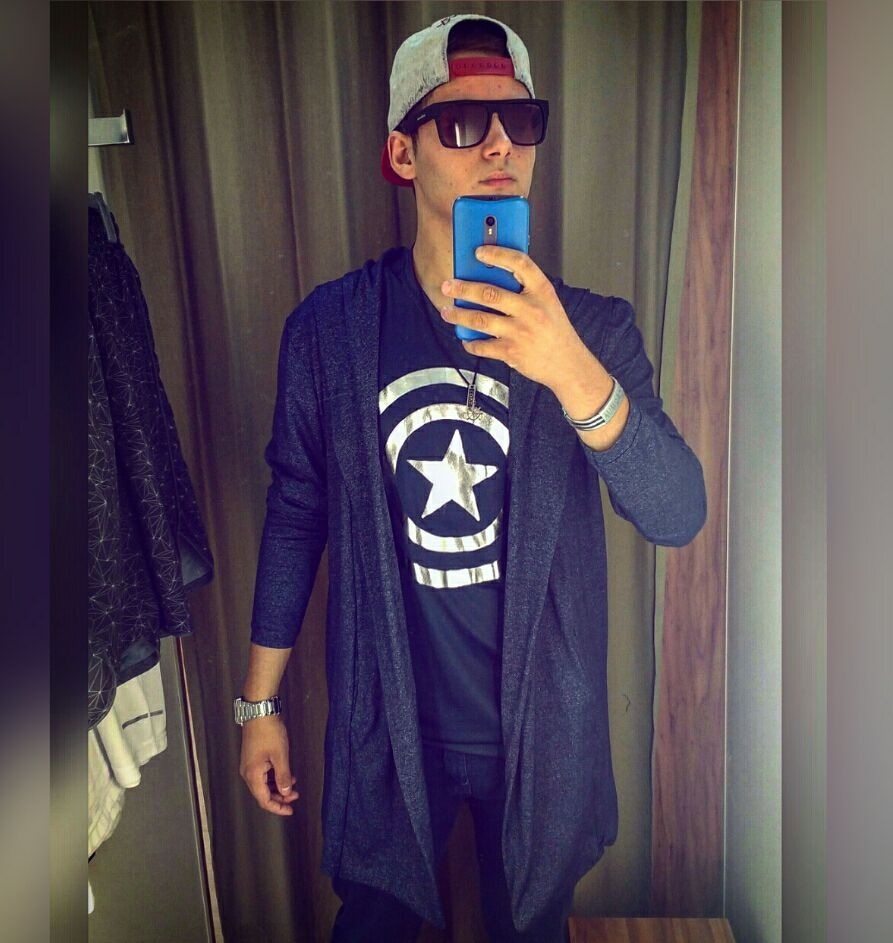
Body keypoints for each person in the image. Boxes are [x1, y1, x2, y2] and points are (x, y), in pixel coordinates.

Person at [237, 13, 706, 942]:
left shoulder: (594, 332)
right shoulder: (329, 333)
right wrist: (259, 704)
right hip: (389, 719)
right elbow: (296, 512)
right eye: (461, 122)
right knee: (373, 922)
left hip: (544, 732)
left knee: (530, 924)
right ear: (401, 154)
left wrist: (570, 370)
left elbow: (678, 511)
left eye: (520, 121)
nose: (499, 144)